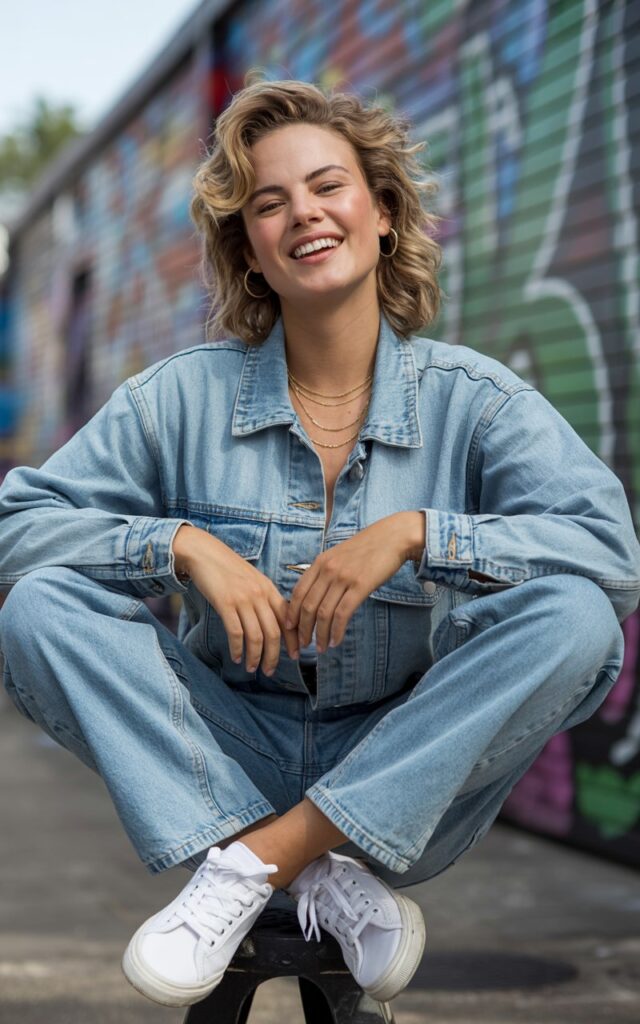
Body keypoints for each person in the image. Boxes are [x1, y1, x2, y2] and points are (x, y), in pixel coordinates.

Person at [0, 71, 639, 1011]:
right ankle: (320, 872)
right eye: (270, 202)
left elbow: (609, 550)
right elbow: (20, 530)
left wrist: (421, 533)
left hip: (403, 756)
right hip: (222, 744)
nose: (304, 213)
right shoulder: (178, 399)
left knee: (578, 618)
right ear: (251, 252)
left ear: (383, 212)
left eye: (328, 186)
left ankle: (255, 861)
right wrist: (180, 544)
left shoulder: (477, 402)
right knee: (39, 605)